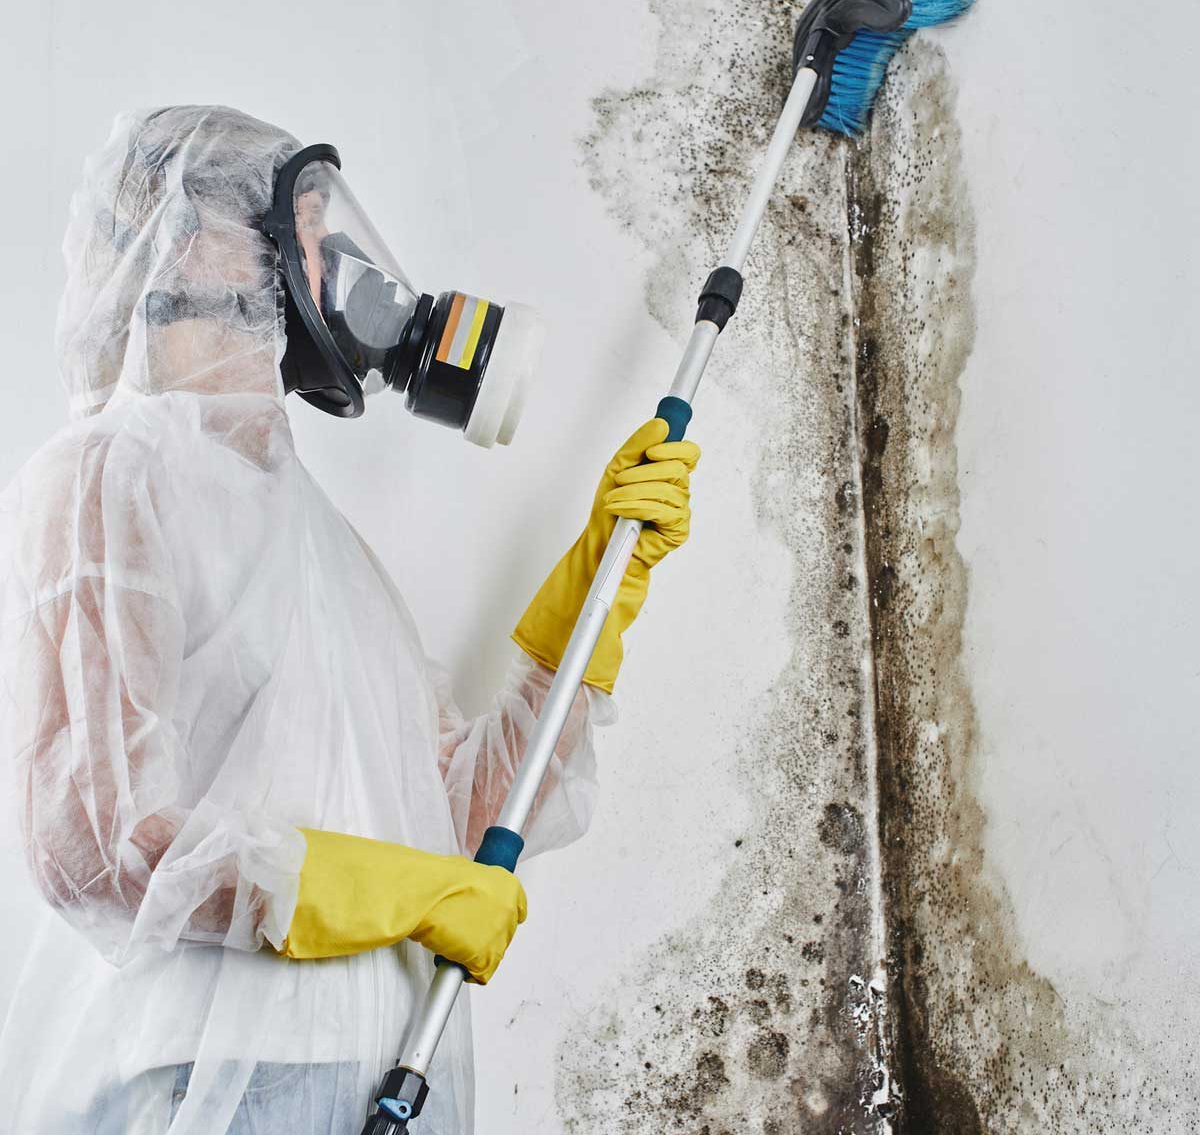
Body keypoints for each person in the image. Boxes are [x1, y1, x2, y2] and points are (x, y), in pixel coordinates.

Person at [0, 106, 700, 1133]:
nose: (341, 272)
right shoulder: (115, 468)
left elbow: (457, 829)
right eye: (311, 236)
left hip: (395, 1081)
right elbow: (96, 841)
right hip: (207, 1085)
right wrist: (377, 893)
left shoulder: (325, 545)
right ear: (193, 242)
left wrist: (597, 590)